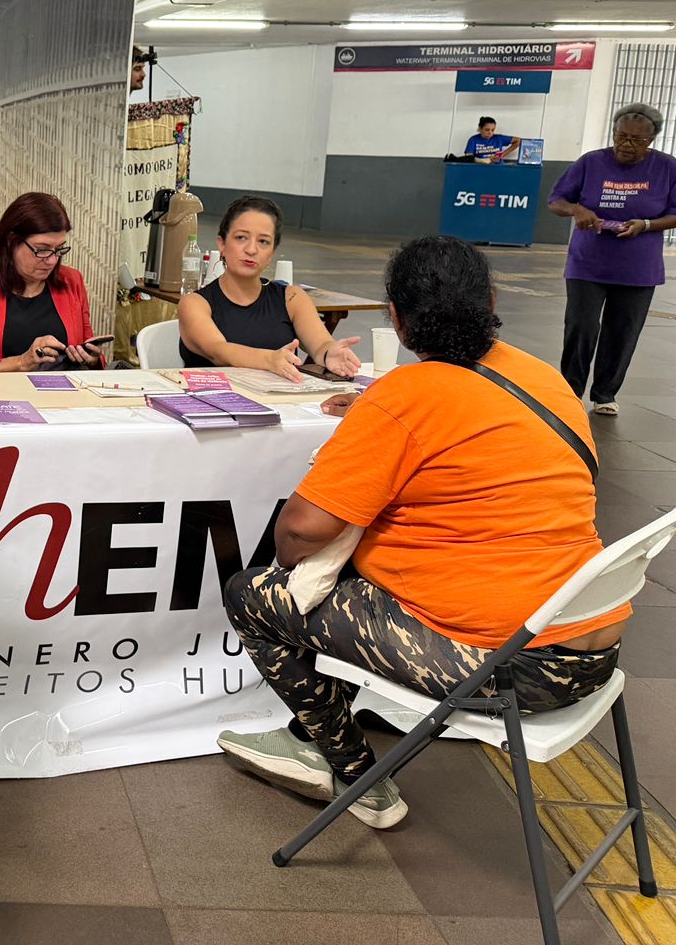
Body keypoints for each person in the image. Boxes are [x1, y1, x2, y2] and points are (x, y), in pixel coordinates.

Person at [216, 235, 627, 830]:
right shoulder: (541, 376)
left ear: (397, 319)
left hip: (508, 668)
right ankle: (307, 740)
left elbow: (299, 534)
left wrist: (382, 416)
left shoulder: (407, 394)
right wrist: (380, 414)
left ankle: (355, 776)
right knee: (362, 576)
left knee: (253, 594)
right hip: (592, 651)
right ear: (490, 302)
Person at [547, 103, 676, 416]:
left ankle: (605, 393)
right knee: (581, 326)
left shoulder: (667, 167)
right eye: (621, 136)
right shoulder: (591, 162)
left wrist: (646, 224)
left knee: (623, 331)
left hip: (638, 268)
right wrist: (577, 210)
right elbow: (556, 201)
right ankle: (570, 391)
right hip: (587, 262)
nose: (626, 144)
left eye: (636, 139)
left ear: (651, 140)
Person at [177, 196, 361, 380]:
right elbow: (219, 351)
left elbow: (320, 344)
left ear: (272, 252)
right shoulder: (194, 303)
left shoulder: (292, 298)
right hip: (212, 396)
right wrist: (270, 359)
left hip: (279, 397)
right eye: (241, 238)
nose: (251, 249)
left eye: (263, 242)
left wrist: (330, 353)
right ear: (222, 244)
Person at [0, 192, 104, 373]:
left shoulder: (72, 281)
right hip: (0, 391)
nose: (52, 260)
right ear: (11, 241)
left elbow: (92, 355)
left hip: (65, 390)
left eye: (59, 249)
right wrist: (21, 363)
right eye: (42, 250)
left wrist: (92, 360)